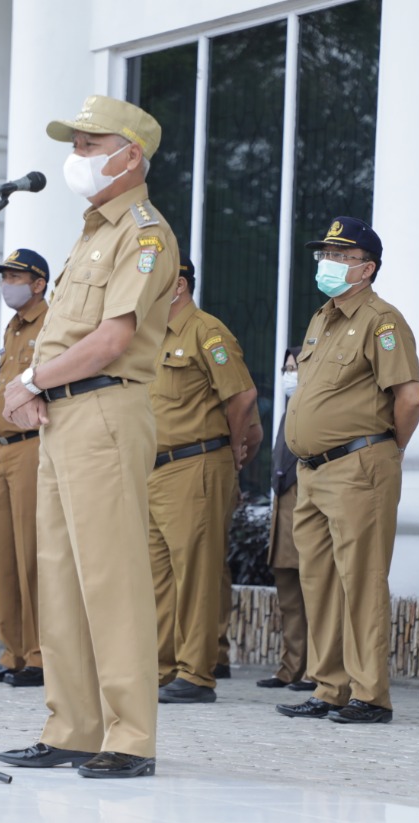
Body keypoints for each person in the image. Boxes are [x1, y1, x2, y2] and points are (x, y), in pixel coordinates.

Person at [0, 94, 177, 779]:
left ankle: (130, 735)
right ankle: (71, 724)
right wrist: (39, 391)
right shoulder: (91, 232)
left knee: (111, 576)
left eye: (89, 145)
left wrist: (34, 380)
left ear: (130, 155)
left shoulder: (144, 230)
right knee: (63, 577)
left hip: (105, 409)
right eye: (74, 144)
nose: (77, 157)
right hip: (65, 414)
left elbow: (112, 338)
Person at [277, 216, 419, 725]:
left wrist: (387, 450)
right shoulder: (322, 318)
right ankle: (329, 686)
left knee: (360, 581)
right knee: (318, 579)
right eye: (325, 255)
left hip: (359, 465)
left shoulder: (383, 321)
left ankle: (370, 694)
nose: (328, 265)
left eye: (340, 257)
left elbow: (409, 396)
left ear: (367, 268)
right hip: (313, 472)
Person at [149, 254, 259, 704]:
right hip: (153, 469)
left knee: (195, 573)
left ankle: (195, 673)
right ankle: (160, 667)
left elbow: (242, 394)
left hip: (195, 463)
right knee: (157, 577)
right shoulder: (149, 335)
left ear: (178, 284)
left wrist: (234, 446)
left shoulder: (206, 331)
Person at [0, 249, 51, 688]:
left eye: (15, 277)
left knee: (31, 553)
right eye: (4, 277)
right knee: (2, 554)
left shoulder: (51, 323)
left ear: (38, 283)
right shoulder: (13, 327)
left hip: (32, 446)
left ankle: (39, 654)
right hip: (1, 450)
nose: (7, 284)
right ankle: (13, 651)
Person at [257, 346, 313, 691]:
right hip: (284, 506)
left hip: (306, 501)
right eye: (287, 368)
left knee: (315, 594)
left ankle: (316, 671)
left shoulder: (315, 411)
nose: (290, 375)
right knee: (290, 595)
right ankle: (290, 667)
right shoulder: (287, 411)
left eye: (296, 368)